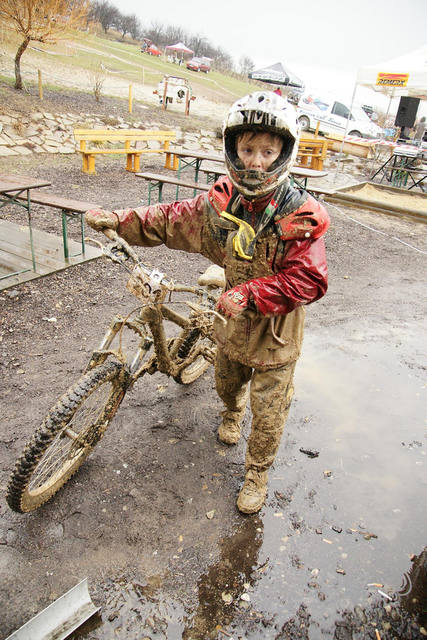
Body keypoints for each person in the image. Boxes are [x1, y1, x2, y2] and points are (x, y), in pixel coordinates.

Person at [85, 91, 330, 514]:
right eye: (247, 150)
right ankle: (232, 412)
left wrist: (251, 293)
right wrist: (120, 221)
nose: (255, 162)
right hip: (230, 322)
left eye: (267, 151)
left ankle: (256, 473)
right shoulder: (222, 202)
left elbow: (310, 278)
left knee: (269, 411)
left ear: (283, 153)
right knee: (226, 385)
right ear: (233, 149)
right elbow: (172, 218)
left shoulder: (299, 215)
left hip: (276, 333)